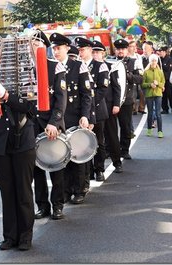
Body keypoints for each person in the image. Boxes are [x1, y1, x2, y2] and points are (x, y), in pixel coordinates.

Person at [0, 43, 36, 251]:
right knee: (6, 192)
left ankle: (25, 236)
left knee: (23, 191)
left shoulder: (27, 77)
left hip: (22, 140)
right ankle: (10, 236)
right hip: (0, 143)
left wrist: (7, 96)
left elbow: (31, 107)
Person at [49, 33, 92, 204]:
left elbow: (87, 94)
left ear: (67, 48)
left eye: (58, 48)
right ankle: (65, 191)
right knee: (61, 158)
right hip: (59, 120)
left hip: (74, 117)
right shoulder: (51, 67)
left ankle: (79, 189)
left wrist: (85, 116)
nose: (55, 52)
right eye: (53, 48)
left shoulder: (78, 66)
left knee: (76, 156)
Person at [31, 30, 68, 220]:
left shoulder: (56, 67)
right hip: (32, 125)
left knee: (56, 167)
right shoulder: (26, 69)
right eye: (31, 44)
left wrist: (54, 122)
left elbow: (61, 99)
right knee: (36, 169)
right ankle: (42, 206)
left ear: (43, 47)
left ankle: (58, 204)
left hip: (51, 123)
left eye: (37, 44)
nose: (33, 47)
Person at [75, 37, 109, 182]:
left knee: (98, 141)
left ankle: (99, 169)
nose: (80, 53)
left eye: (82, 50)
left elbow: (102, 90)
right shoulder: (76, 66)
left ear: (90, 50)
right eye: (79, 50)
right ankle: (87, 173)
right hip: (83, 111)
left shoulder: (100, 66)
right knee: (84, 143)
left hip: (97, 109)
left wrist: (89, 105)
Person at [92, 40, 123, 174]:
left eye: (98, 52)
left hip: (109, 105)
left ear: (103, 54)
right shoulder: (88, 66)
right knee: (97, 138)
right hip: (95, 108)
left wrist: (116, 104)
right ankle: (98, 166)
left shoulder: (110, 66)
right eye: (93, 52)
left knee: (111, 135)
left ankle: (117, 162)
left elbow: (116, 87)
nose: (95, 55)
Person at [114, 39, 143, 159]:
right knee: (110, 128)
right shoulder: (110, 62)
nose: (120, 51)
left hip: (126, 99)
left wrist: (128, 75)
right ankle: (111, 149)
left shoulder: (133, 62)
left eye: (123, 49)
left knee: (125, 126)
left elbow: (140, 79)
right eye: (118, 49)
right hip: (112, 100)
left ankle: (124, 150)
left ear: (127, 50)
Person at [142, 54, 165, 138]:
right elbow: (142, 84)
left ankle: (160, 131)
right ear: (150, 61)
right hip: (149, 94)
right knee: (150, 113)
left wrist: (158, 84)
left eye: (155, 60)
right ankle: (149, 129)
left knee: (158, 113)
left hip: (158, 94)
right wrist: (150, 85)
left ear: (157, 61)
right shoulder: (146, 72)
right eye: (152, 60)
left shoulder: (160, 71)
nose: (154, 62)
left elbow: (163, 83)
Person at [159, 46, 172, 114]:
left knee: (170, 94)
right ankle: (165, 108)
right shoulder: (159, 59)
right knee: (163, 94)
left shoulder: (169, 59)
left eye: (161, 51)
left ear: (164, 52)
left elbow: (168, 69)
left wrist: (162, 65)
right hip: (161, 79)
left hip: (168, 79)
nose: (160, 53)